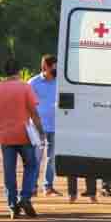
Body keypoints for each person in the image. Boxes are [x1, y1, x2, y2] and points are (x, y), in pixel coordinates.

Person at [0, 58, 45, 219]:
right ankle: (26, 198)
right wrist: (41, 132)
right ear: (19, 71)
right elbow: (34, 114)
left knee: (9, 172)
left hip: (5, 137)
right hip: (25, 135)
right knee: (31, 165)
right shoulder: (25, 88)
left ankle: (12, 205)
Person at [29, 55, 61, 197]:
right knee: (36, 157)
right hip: (38, 126)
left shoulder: (60, 82)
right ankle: (32, 186)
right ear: (45, 67)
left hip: (56, 126)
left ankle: (48, 187)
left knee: (52, 158)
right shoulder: (33, 83)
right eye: (53, 67)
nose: (56, 69)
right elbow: (28, 105)